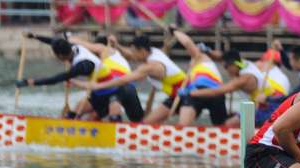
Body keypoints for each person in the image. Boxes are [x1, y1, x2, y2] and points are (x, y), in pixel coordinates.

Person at [15, 33, 143, 122]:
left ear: (60, 56)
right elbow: (54, 41)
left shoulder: (83, 65)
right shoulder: (73, 47)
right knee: (72, 115)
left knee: (114, 117)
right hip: (99, 92)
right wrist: (35, 36)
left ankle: (117, 135)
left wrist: (31, 82)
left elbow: (57, 79)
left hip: (115, 90)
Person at [83, 34, 187, 124]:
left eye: (134, 51)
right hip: (175, 96)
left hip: (185, 94)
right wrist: (117, 45)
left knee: (145, 126)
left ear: (142, 51)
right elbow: (130, 55)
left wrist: (98, 86)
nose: (132, 55)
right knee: (145, 124)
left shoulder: (150, 67)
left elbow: (124, 80)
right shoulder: (154, 51)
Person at [173, 29, 228, 126]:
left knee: (182, 125)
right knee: (221, 126)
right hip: (209, 93)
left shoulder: (200, 56)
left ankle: (181, 130)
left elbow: (187, 42)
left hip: (209, 91)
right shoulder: (196, 66)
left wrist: (174, 31)